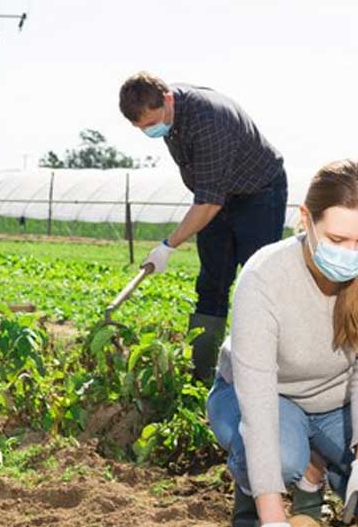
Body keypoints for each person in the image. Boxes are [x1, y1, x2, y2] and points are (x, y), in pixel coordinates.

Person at [206, 160, 358, 527]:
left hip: (337, 401)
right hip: (263, 398)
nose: (352, 254)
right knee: (281, 458)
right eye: (337, 239)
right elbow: (259, 401)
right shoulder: (264, 276)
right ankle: (254, 505)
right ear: (306, 219)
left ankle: (317, 471)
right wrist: (274, 522)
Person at [118, 72, 287, 382]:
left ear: (167, 99)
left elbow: (209, 202)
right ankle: (203, 375)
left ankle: (259, 375)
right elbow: (208, 196)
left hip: (258, 194)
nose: (150, 131)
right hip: (216, 196)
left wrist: (168, 245)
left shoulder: (209, 120)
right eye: (141, 128)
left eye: (152, 123)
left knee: (258, 285)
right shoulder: (170, 117)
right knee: (212, 283)